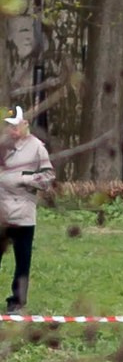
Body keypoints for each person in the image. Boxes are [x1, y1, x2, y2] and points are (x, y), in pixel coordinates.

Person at [1, 106, 56, 315]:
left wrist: (26, 180)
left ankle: (17, 301)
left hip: (23, 214)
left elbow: (48, 176)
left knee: (22, 261)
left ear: (25, 124)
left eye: (15, 127)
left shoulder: (36, 148)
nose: (11, 131)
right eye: (8, 127)